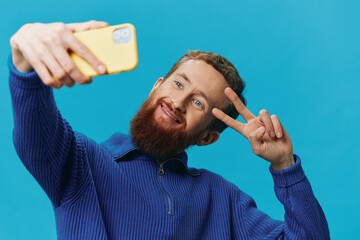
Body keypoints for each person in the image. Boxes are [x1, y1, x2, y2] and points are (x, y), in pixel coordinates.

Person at [9, 20, 330, 239]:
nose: (178, 101)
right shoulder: (79, 162)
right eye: (178, 83)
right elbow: (34, 134)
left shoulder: (224, 200)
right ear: (156, 87)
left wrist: (284, 166)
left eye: (199, 103)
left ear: (208, 137)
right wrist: (26, 63)